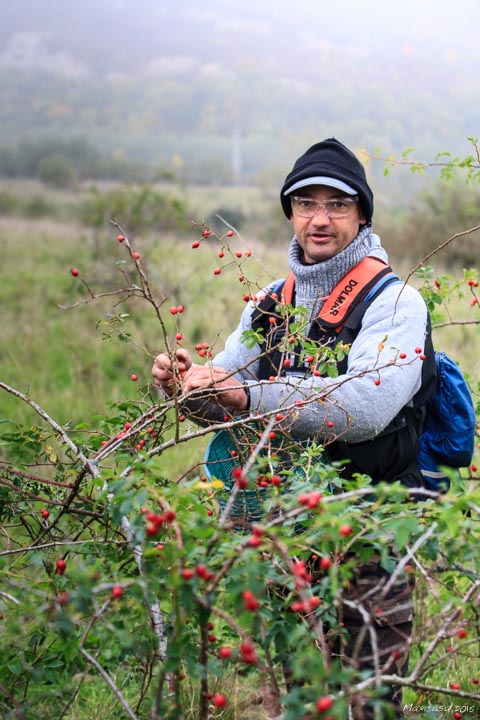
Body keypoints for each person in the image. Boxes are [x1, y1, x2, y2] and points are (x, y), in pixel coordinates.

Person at [152, 138, 435, 719]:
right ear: (290, 213)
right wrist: (186, 386)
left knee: (367, 704)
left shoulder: (394, 303)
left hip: (368, 533)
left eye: (338, 204)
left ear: (362, 215)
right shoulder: (268, 305)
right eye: (306, 203)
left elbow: (363, 409)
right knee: (298, 698)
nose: (320, 218)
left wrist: (244, 392)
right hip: (283, 530)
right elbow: (225, 395)